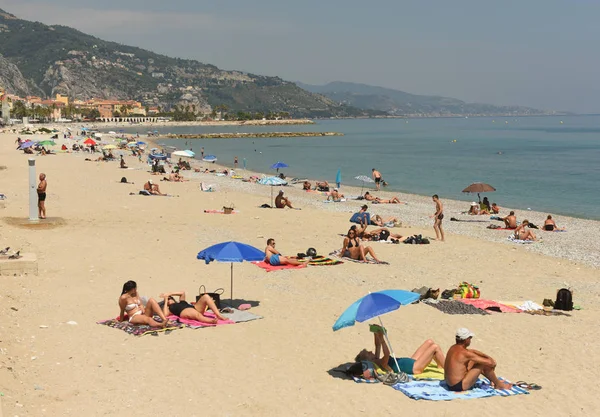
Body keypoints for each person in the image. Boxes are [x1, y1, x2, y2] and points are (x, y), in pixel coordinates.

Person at [355, 326, 446, 375]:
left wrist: (376, 333)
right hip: (415, 368)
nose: (370, 352)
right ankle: (449, 369)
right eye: (367, 353)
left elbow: (377, 345)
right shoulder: (379, 363)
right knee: (435, 347)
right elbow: (387, 354)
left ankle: (440, 365)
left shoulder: (376, 359)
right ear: (368, 360)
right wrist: (382, 338)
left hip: (411, 362)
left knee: (429, 342)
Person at [444, 328, 512, 391]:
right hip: (458, 386)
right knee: (482, 364)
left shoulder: (453, 348)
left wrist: (483, 355)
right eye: (470, 338)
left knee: (474, 362)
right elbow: (491, 363)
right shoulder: (465, 353)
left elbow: (472, 351)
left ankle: (493, 381)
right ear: (465, 340)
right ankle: (499, 384)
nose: (470, 340)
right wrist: (489, 358)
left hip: (449, 384)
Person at [160, 291, 227, 324]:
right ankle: (211, 321)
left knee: (206, 296)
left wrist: (169, 294)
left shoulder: (181, 302)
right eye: (168, 299)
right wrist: (166, 301)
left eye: (170, 298)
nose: (169, 299)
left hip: (194, 307)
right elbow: (165, 314)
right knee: (197, 315)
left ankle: (218, 315)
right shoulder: (170, 308)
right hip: (184, 311)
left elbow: (182, 293)